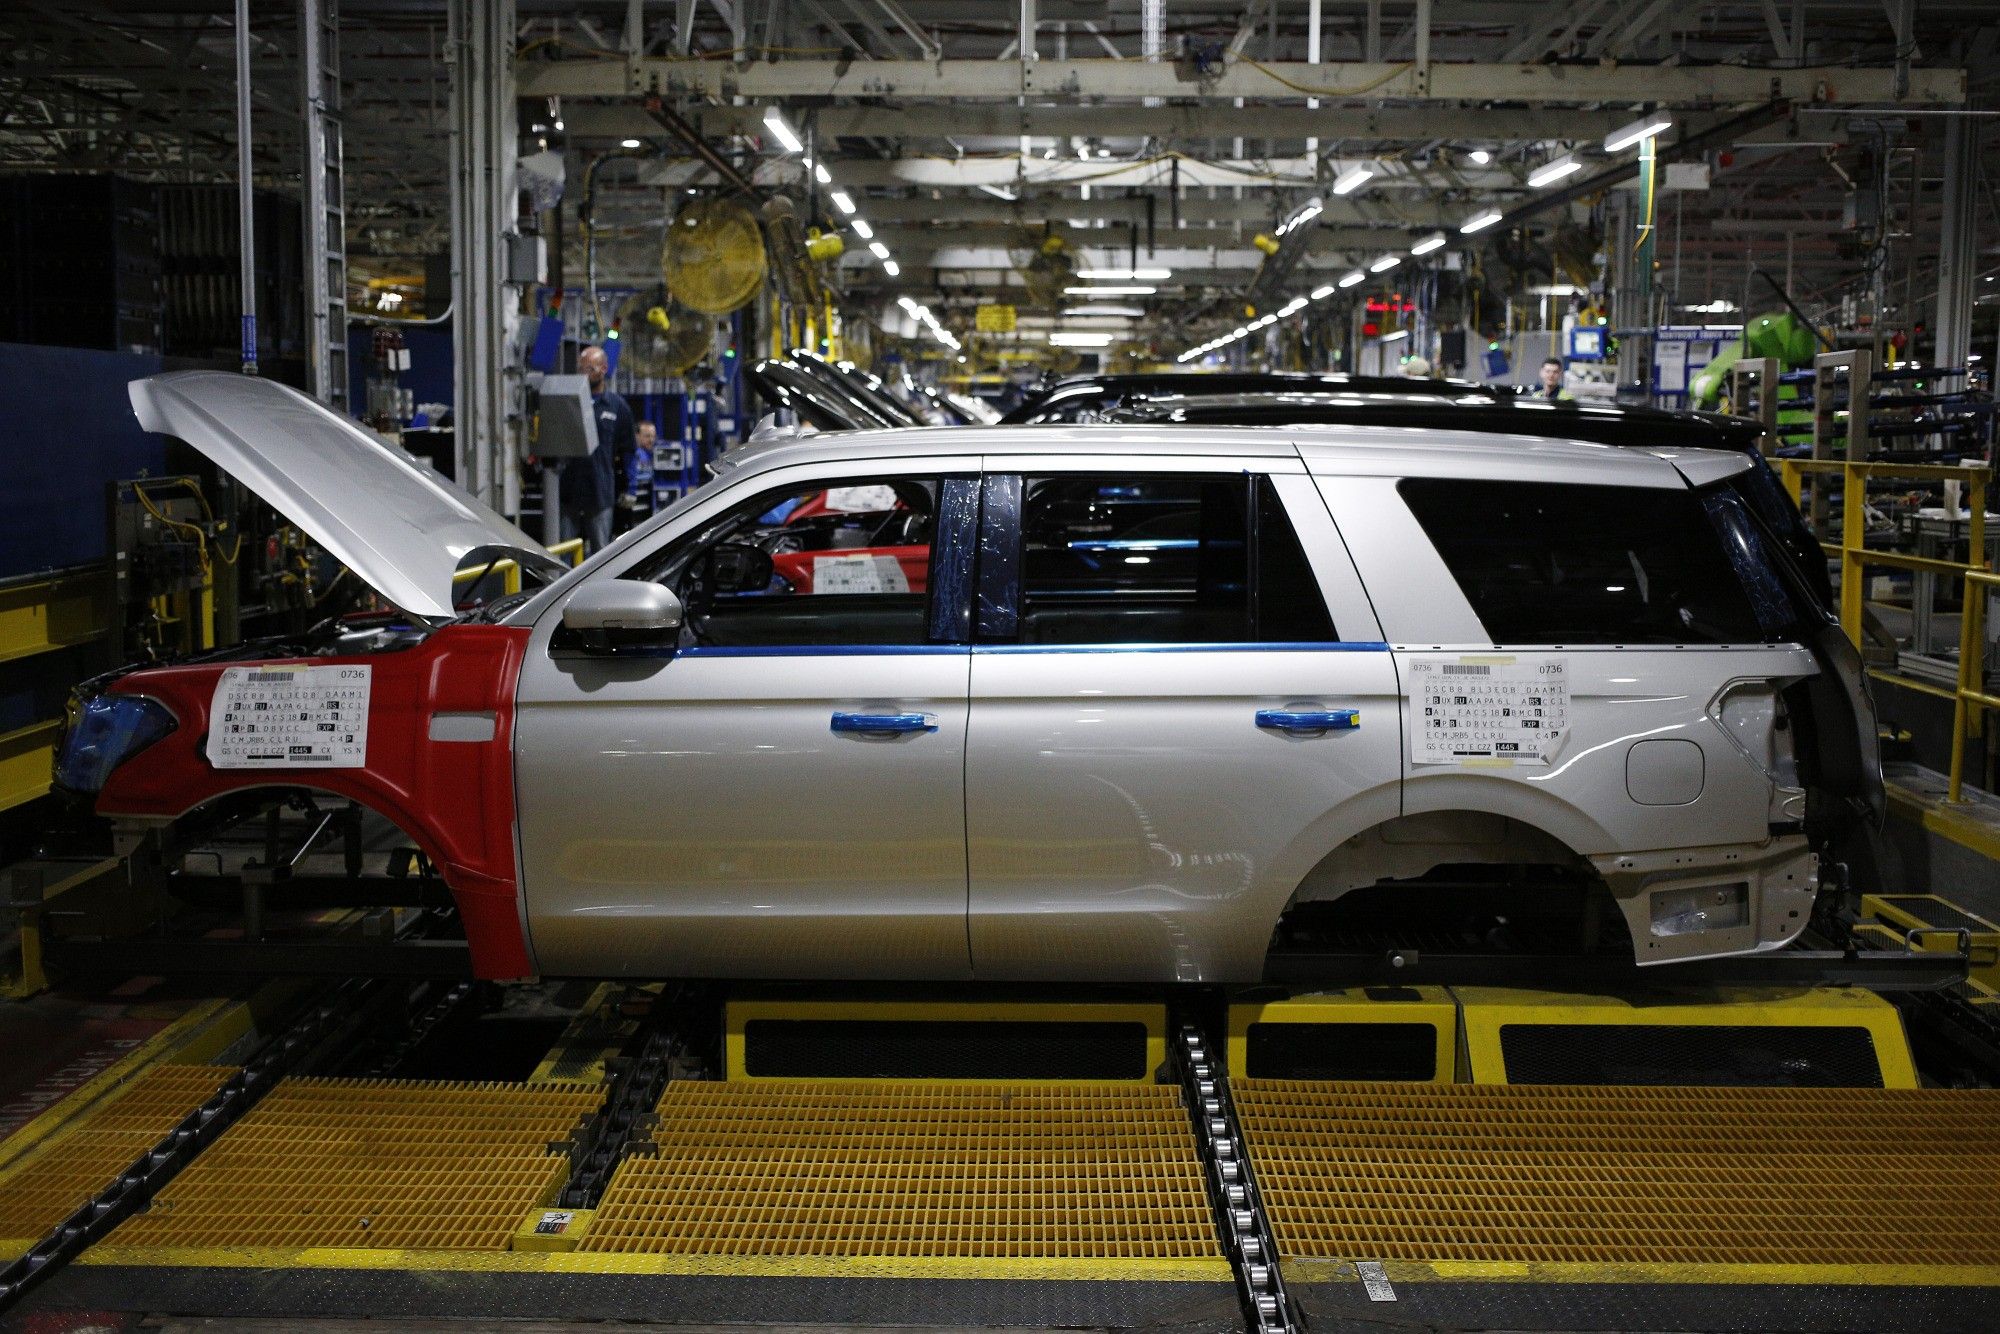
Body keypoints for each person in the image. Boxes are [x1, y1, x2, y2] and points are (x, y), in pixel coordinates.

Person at [562, 345, 633, 553]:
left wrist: (631, 487)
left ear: (603, 369)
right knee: (563, 552)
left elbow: (628, 450)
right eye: (581, 369)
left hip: (600, 492)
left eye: (589, 369)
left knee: (601, 552)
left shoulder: (617, 406)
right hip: (569, 490)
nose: (584, 374)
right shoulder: (569, 402)